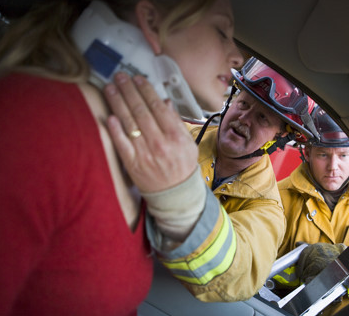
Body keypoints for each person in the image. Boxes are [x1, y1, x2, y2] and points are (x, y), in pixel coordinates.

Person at [0, 0, 244, 315]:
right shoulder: (35, 125)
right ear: (152, 21)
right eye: (222, 31)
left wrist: (181, 195)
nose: (238, 56)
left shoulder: (148, 155)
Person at [104, 57, 319, 302]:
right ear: (231, 101)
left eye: (262, 119)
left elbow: (237, 269)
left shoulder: (267, 211)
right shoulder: (171, 135)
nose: (244, 118)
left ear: (278, 139)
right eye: (244, 103)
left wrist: (176, 191)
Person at [276, 106, 349, 315]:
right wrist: (304, 264)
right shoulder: (278, 198)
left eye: (343, 155)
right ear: (307, 152)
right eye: (323, 155)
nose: (333, 167)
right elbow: (261, 275)